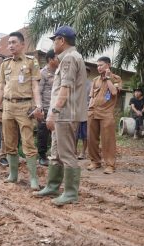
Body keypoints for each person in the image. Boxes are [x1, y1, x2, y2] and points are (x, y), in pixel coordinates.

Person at [34, 25, 88, 205]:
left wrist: (54, 112)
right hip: (63, 114)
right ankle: (52, 186)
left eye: (55, 40)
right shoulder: (69, 57)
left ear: (62, 40)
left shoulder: (69, 59)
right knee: (56, 153)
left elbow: (65, 89)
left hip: (65, 114)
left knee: (66, 154)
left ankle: (71, 193)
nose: (54, 43)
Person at [0, 31, 43, 191]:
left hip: (25, 107)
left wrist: (38, 105)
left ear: (22, 44)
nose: (10, 45)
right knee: (9, 143)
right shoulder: (5, 64)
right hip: (7, 107)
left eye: (14, 42)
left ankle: (34, 179)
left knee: (28, 143)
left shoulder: (31, 62)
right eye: (9, 43)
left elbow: (35, 86)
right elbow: (1, 88)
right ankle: (13, 175)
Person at [87, 56, 122, 174]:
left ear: (108, 65)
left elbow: (114, 92)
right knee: (91, 139)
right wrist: (89, 110)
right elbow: (91, 96)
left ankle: (110, 165)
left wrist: (107, 78)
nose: (98, 67)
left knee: (108, 140)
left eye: (101, 65)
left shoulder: (116, 78)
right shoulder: (95, 80)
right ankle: (95, 162)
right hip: (93, 112)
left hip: (106, 113)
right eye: (97, 65)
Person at [37, 49, 59, 166]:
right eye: (56, 58)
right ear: (50, 60)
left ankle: (55, 155)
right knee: (43, 133)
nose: (58, 60)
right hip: (45, 107)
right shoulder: (42, 73)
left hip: (56, 108)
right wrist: (39, 108)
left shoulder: (59, 72)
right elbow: (38, 92)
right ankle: (42, 156)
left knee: (56, 133)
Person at [75, 66, 92, 160]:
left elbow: (92, 98)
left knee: (85, 133)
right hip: (76, 111)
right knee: (75, 133)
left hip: (86, 111)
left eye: (87, 72)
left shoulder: (91, 84)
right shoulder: (75, 83)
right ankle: (74, 151)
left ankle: (83, 152)